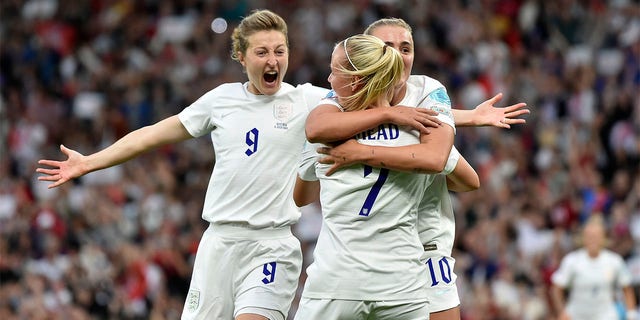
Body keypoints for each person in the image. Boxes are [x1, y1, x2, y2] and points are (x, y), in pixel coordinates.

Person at [36, 9, 334, 320]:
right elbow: (151, 136)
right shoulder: (221, 100)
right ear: (242, 57)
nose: (273, 60)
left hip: (272, 246)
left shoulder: (307, 100)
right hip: (218, 244)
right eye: (262, 52)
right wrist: (89, 163)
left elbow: (356, 99)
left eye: (279, 51)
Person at [299, 17, 529, 320]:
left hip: (423, 246)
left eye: (405, 48)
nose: (397, 55)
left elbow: (452, 168)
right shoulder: (402, 121)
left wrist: (361, 151)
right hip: (395, 264)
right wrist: (395, 117)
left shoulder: (418, 96)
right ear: (369, 58)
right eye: (387, 47)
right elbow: (448, 164)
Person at [292, 33, 463, 319]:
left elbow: (301, 197)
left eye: (334, 72)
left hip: (336, 284)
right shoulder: (418, 131)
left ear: (355, 82)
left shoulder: (326, 136)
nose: (330, 80)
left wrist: (358, 153)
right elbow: (464, 177)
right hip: (403, 285)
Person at [550, 215, 637, 320]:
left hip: (605, 315)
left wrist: (631, 314)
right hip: (577, 315)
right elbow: (556, 289)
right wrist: (562, 312)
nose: (593, 240)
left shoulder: (614, 261)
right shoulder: (572, 261)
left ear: (603, 238)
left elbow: (627, 288)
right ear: (583, 238)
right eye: (589, 236)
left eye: (596, 236)